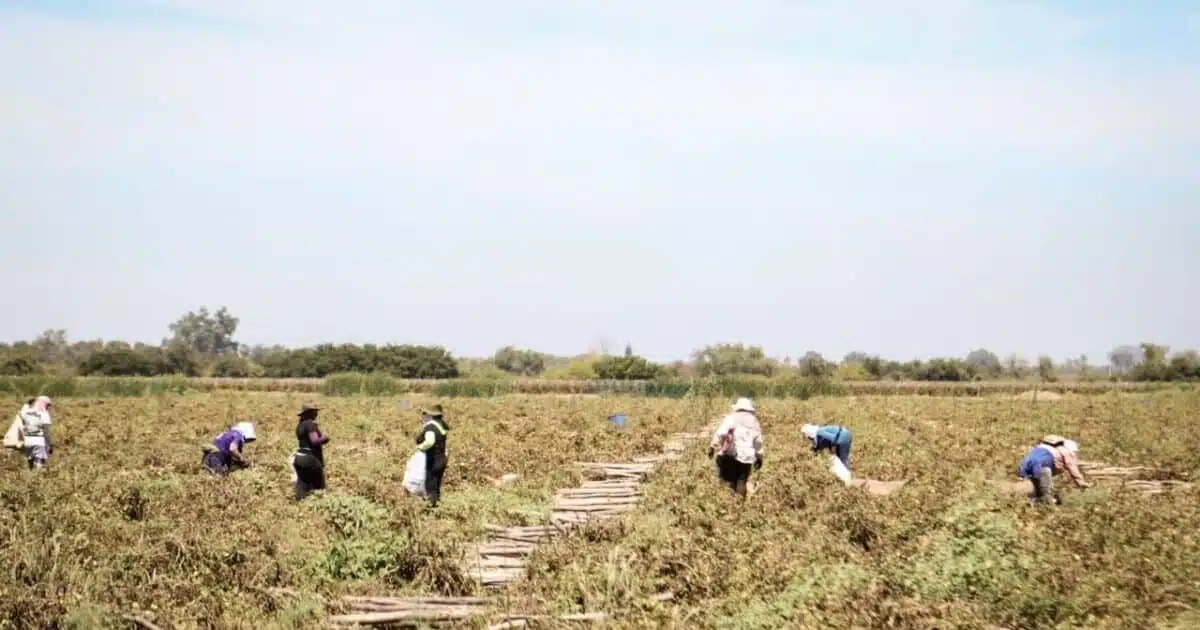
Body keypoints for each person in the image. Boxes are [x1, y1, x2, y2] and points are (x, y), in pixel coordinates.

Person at [707, 397, 764, 498]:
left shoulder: (731, 417)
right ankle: (739, 505)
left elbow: (721, 433)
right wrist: (759, 458)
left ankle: (728, 502)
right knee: (741, 482)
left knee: (728, 482)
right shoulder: (754, 422)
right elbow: (758, 442)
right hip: (746, 458)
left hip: (730, 454)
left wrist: (712, 446)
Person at [1018, 435, 1091, 505]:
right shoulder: (1066, 452)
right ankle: (1049, 505)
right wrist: (1080, 482)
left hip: (1026, 465)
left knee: (1038, 489)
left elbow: (1030, 460)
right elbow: (1072, 467)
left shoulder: (1042, 448)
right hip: (1042, 466)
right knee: (1047, 491)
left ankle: (1034, 502)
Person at [292, 402, 330, 501]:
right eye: (315, 411)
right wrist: (325, 438)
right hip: (310, 459)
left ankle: (300, 507)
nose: (317, 413)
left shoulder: (300, 425)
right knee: (319, 490)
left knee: (303, 487)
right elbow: (315, 441)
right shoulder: (310, 424)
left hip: (299, 457)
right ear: (309, 413)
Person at [415, 404, 450, 508]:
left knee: (430, 485)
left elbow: (430, 442)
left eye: (425, 414)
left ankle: (431, 509)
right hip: (442, 458)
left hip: (434, 460)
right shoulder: (441, 424)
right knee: (436, 484)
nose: (423, 416)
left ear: (430, 415)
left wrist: (420, 448)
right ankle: (437, 505)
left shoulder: (431, 427)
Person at [17, 396, 54, 471]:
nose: (48, 407)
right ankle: (40, 479)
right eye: (47, 405)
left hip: (27, 441)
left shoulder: (26, 412)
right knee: (39, 464)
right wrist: (49, 444)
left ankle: (30, 477)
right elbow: (46, 432)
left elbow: (22, 411)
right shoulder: (44, 414)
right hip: (39, 441)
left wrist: (28, 402)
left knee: (30, 463)